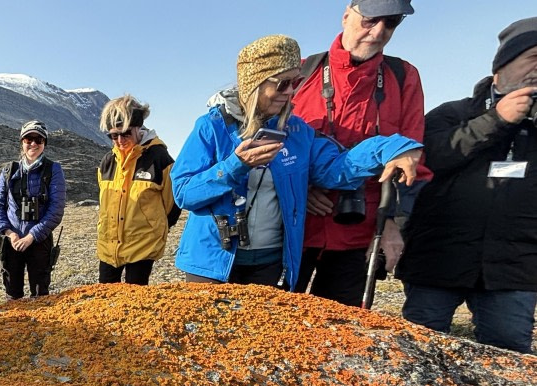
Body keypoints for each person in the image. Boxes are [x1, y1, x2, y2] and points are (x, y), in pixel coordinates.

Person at [172, 34, 423, 288]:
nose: (291, 91)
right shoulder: (211, 127)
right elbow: (183, 193)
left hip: (270, 263)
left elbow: (337, 169)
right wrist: (235, 165)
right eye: (282, 84)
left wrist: (390, 147)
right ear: (254, 83)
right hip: (211, 263)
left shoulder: (298, 133)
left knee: (265, 328)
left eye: (295, 82)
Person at [395, 17, 537, 354]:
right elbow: (431, 159)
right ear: (502, 65)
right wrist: (497, 119)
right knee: (418, 352)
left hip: (513, 269)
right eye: (533, 59)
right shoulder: (451, 113)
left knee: (510, 358)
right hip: (438, 260)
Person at [292, 0, 433, 307]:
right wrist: (300, 188)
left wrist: (394, 224)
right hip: (295, 230)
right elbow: (274, 148)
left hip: (360, 232)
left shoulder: (404, 76)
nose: (379, 31)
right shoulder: (301, 72)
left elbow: (413, 165)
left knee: (339, 333)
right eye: (370, 19)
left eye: (391, 23)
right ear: (346, 15)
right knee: (275, 325)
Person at [96, 95, 181, 285]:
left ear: (138, 127)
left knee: (136, 302)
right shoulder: (107, 162)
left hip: (143, 247)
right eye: (113, 135)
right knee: (104, 299)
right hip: (109, 246)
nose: (119, 140)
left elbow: (173, 204)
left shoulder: (159, 158)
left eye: (125, 133)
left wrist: (154, 229)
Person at [0, 120, 66, 299]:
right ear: (22, 142)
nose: (33, 143)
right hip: (11, 242)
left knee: (40, 295)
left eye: (38, 139)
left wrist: (32, 236)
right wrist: (10, 233)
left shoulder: (54, 170)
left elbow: (56, 209)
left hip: (39, 242)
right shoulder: (9, 170)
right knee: (12, 294)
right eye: (28, 139)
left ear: (44, 143)